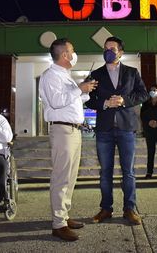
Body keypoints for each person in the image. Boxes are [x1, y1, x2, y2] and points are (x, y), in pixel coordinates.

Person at [86, 36, 149, 226]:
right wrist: (104, 103)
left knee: (128, 172)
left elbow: (143, 94)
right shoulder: (96, 74)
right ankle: (106, 209)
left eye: (112, 48)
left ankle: (130, 209)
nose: (108, 51)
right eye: (106, 48)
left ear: (120, 52)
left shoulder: (132, 72)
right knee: (105, 172)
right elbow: (88, 99)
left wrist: (125, 100)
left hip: (126, 129)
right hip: (104, 130)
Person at [39, 38, 98, 241]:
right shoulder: (50, 76)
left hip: (73, 130)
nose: (74, 53)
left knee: (71, 177)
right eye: (72, 50)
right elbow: (56, 103)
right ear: (64, 55)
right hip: (62, 131)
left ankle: (63, 216)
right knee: (61, 178)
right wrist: (79, 89)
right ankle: (58, 224)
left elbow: (70, 100)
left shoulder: (65, 76)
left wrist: (84, 91)